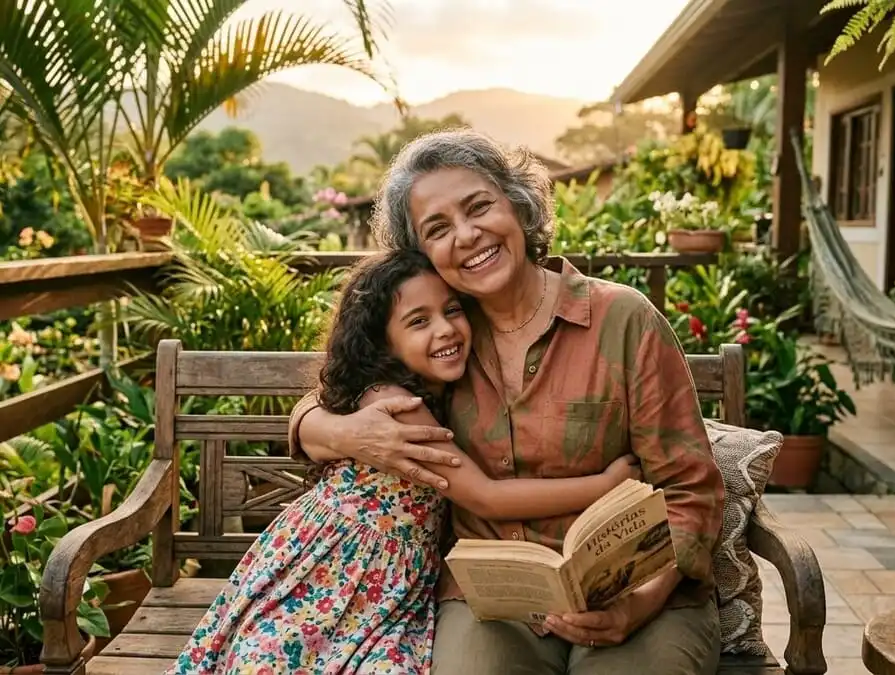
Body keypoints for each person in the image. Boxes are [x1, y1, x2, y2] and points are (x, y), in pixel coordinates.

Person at [289, 129, 726, 674]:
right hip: (492, 600)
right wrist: (340, 431)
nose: (468, 235)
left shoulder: (623, 320)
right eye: (438, 228)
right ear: (421, 254)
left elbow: (691, 489)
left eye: (479, 207)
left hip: (636, 585)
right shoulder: (441, 338)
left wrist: (640, 602)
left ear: (518, 206)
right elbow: (335, 390)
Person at [166, 248, 640, 675]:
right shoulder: (396, 404)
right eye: (418, 321)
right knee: (275, 659)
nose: (445, 329)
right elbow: (487, 496)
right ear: (382, 343)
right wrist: (605, 484)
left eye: (452, 310)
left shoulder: (437, 387)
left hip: (387, 584)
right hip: (336, 566)